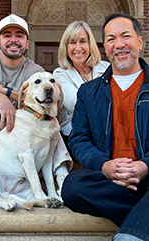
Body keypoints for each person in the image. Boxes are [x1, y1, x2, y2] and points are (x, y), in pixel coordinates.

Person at [0, 14, 72, 206]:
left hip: (22, 133)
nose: (13, 39)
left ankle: (62, 179)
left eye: (19, 35)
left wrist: (4, 91)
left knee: (50, 120)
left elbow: (43, 96)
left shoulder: (35, 71)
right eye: (7, 35)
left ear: (27, 43)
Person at [61, 12, 149, 241]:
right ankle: (143, 216)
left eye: (125, 36)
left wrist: (144, 166)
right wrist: (105, 165)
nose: (118, 45)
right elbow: (79, 138)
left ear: (140, 41)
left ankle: (129, 236)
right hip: (111, 181)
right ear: (104, 47)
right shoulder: (89, 93)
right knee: (72, 186)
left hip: (148, 175)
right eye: (111, 39)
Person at [53, 21, 109, 139]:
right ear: (66, 47)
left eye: (83, 41)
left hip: (107, 132)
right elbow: (76, 104)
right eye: (72, 42)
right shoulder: (60, 74)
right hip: (77, 136)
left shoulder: (107, 69)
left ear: (90, 44)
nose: (78, 48)